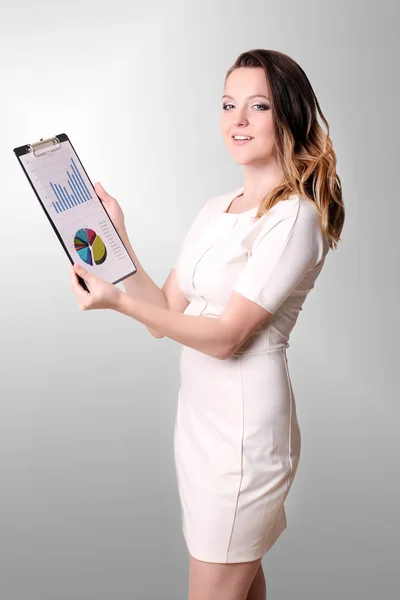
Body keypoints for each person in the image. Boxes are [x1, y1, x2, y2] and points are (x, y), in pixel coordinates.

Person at [70, 48, 345, 600]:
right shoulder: (218, 207)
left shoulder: (294, 217)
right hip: (200, 429)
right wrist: (118, 241)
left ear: (288, 116)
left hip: (243, 439)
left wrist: (118, 304)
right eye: (228, 104)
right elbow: (166, 316)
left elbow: (225, 338)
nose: (237, 120)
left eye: (258, 106)